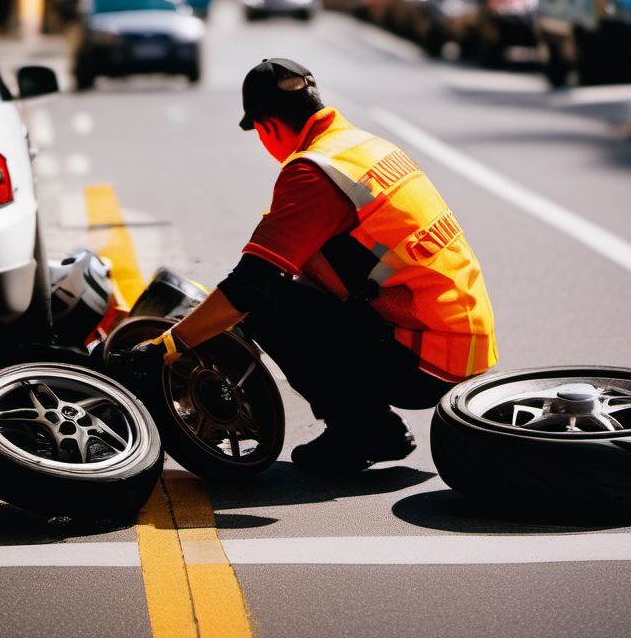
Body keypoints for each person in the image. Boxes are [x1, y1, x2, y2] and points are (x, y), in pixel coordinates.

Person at [131, 57, 498, 472]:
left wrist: (165, 347)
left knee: (267, 303)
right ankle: (374, 424)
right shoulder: (363, 147)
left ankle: (363, 429)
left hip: (423, 360)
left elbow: (250, 286)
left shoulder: (314, 172)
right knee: (290, 275)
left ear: (267, 127)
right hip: (466, 342)